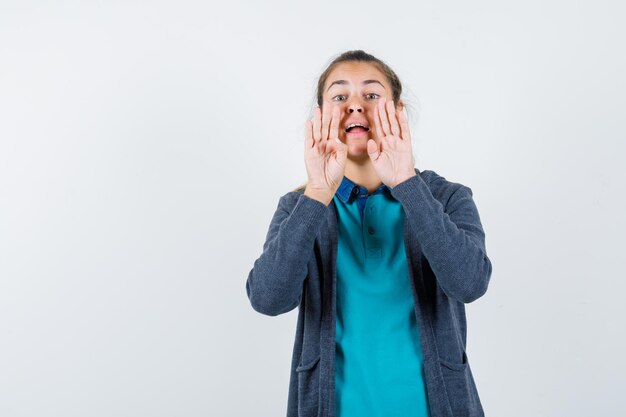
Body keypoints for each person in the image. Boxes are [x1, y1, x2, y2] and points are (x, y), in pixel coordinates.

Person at [246, 50, 493, 417]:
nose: (355, 107)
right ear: (320, 116)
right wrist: (316, 193)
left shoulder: (446, 197)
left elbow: (470, 283)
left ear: (398, 112)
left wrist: (407, 183)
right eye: (340, 97)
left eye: (372, 95)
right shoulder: (300, 207)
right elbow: (267, 298)